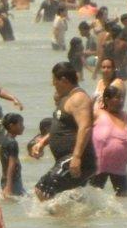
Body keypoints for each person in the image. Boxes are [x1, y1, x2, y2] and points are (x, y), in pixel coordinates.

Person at [31, 62, 96, 200]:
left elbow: (85, 127)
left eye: (55, 82)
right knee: (69, 199)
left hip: (76, 157)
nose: (53, 85)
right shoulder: (67, 98)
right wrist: (42, 142)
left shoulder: (79, 98)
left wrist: (77, 157)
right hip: (66, 158)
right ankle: (70, 220)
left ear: (64, 80)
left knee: (42, 190)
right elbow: (62, 126)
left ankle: (52, 220)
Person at [90, 85, 127, 196]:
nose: (121, 101)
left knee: (123, 196)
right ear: (107, 99)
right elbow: (82, 126)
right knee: (92, 194)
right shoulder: (97, 113)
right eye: (117, 98)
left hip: (119, 165)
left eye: (122, 98)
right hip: (99, 164)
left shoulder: (126, 116)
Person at [0, 113, 25, 198]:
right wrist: (9, 186)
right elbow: (11, 164)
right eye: (20, 124)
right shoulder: (12, 143)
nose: (23, 127)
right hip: (13, 181)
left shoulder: (5, 139)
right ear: (11, 126)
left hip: (7, 179)